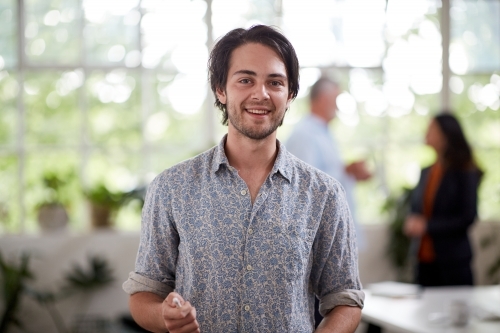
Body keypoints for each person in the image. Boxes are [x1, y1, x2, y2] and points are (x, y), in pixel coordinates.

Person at [122, 25, 364, 333]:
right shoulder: (172, 188)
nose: (260, 94)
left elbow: (345, 297)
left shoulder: (325, 194)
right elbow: (145, 293)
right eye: (245, 80)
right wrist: (163, 316)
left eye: (274, 82)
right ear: (221, 89)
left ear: (289, 95)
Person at [285, 77, 371, 327]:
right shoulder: (304, 134)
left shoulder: (323, 133)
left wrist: (348, 171)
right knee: (318, 313)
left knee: (339, 304)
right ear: (321, 99)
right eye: (335, 99)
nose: (337, 106)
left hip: (332, 236)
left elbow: (325, 177)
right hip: (317, 240)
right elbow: (306, 187)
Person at [404, 113, 482, 287]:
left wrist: (427, 226)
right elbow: (418, 209)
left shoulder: (464, 171)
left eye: (431, 128)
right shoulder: (427, 172)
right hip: (424, 261)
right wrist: (413, 221)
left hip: (453, 262)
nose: (426, 133)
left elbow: (468, 217)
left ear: (445, 135)